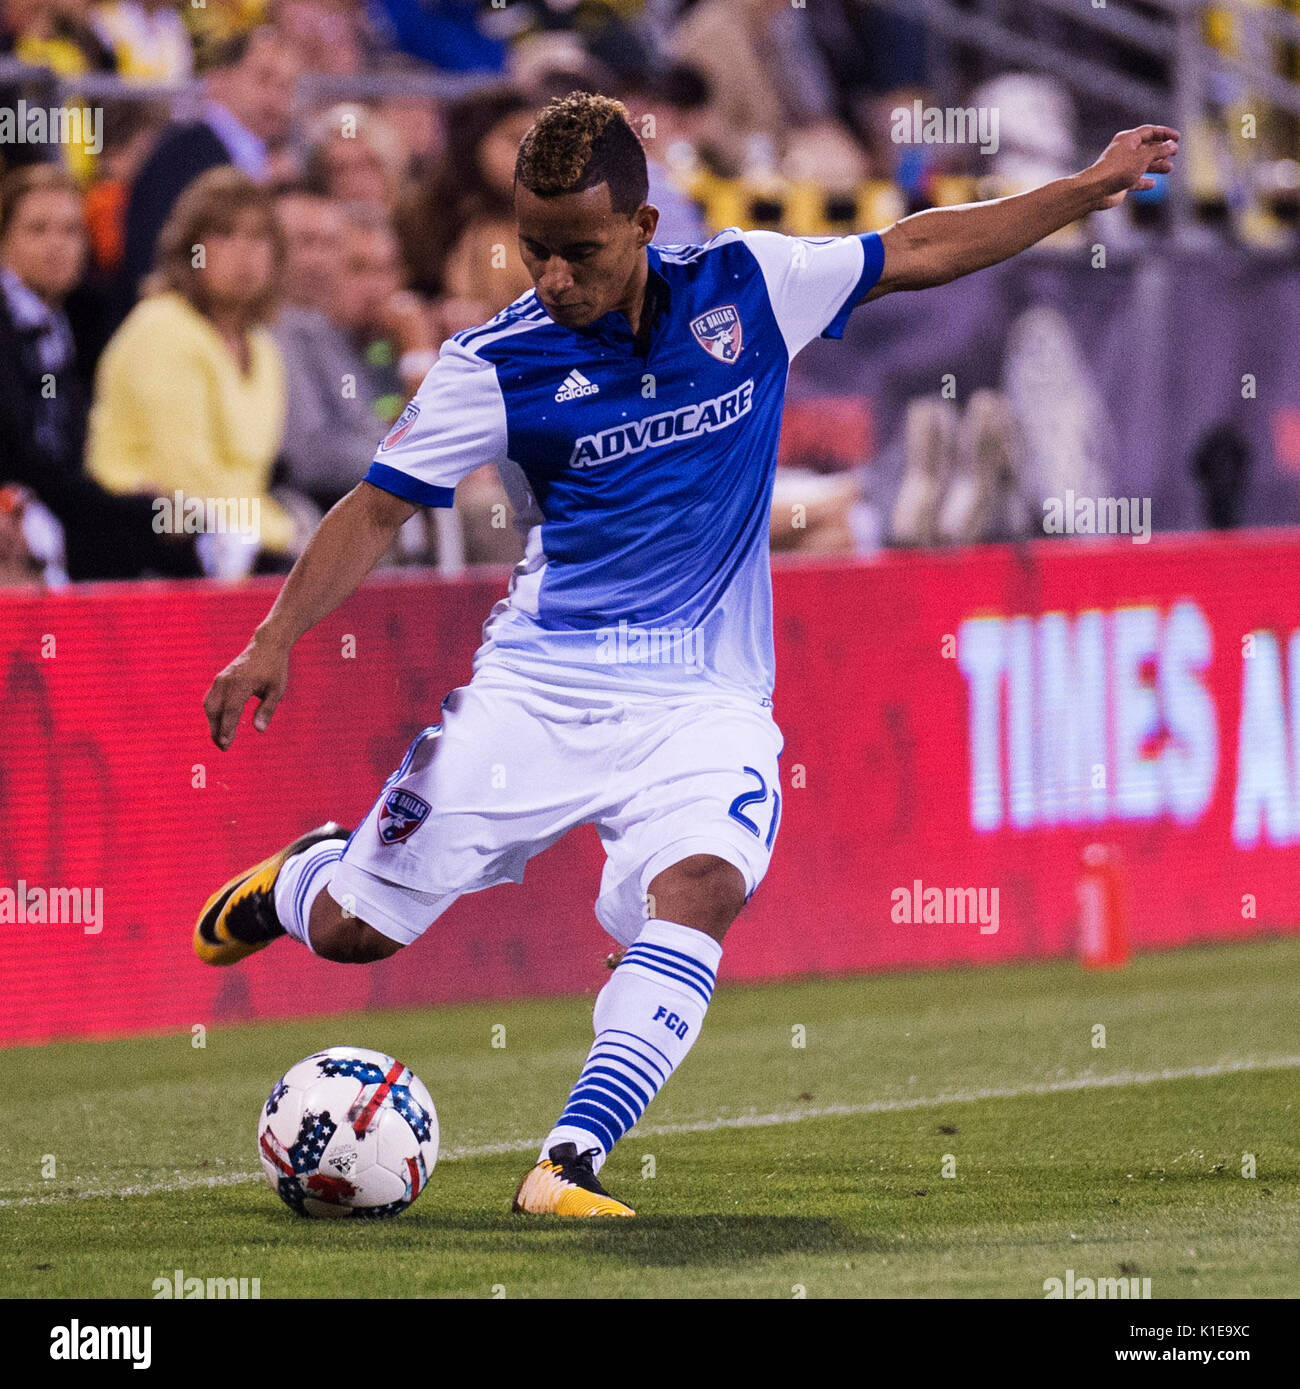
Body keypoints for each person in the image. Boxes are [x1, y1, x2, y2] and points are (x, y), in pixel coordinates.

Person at [196, 92, 1178, 1217]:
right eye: (533, 251)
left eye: (579, 251)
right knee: (354, 934)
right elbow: (374, 509)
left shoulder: (750, 287)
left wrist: (1084, 187)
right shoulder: (495, 363)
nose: (552, 279)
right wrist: (275, 638)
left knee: (704, 888)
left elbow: (915, 248)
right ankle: (308, 876)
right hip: (540, 694)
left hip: (704, 698)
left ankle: (567, 1163)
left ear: (645, 223)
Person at [87, 165, 297, 574]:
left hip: (241, 538)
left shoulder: (264, 347)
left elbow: (249, 480)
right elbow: (184, 480)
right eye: (224, 235)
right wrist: (285, 532)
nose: (244, 252)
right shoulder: (161, 326)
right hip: (151, 536)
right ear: (190, 249)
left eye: (258, 237)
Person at [0, 163, 198, 580]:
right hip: (20, 504)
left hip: (65, 499)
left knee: (176, 529)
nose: (57, 245)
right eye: (38, 230)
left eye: (71, 231)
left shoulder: (75, 319)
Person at [119, 26, 298, 305]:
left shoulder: (271, 164)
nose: (277, 99)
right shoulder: (182, 153)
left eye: (286, 87)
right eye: (265, 79)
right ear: (218, 80)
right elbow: (159, 256)